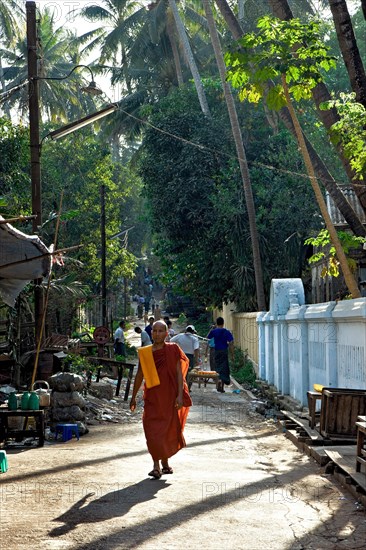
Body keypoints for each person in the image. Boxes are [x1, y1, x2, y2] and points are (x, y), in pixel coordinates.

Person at [130, 321, 192, 479]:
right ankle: (156, 464)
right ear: (151, 334)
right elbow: (140, 375)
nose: (157, 334)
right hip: (152, 398)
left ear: (166, 333)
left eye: (160, 331)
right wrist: (133, 396)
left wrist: (179, 395)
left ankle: (164, 462)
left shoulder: (173, 349)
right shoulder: (145, 352)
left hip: (169, 397)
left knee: (167, 430)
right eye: (154, 331)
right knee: (152, 431)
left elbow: (179, 374)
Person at [207, 317, 234, 393]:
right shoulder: (226, 332)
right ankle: (221, 386)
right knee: (224, 368)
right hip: (224, 351)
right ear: (223, 323)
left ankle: (218, 381)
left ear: (216, 323)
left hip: (216, 351)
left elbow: (208, 337)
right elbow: (231, 343)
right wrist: (232, 354)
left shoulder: (214, 331)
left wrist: (211, 329)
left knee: (217, 367)